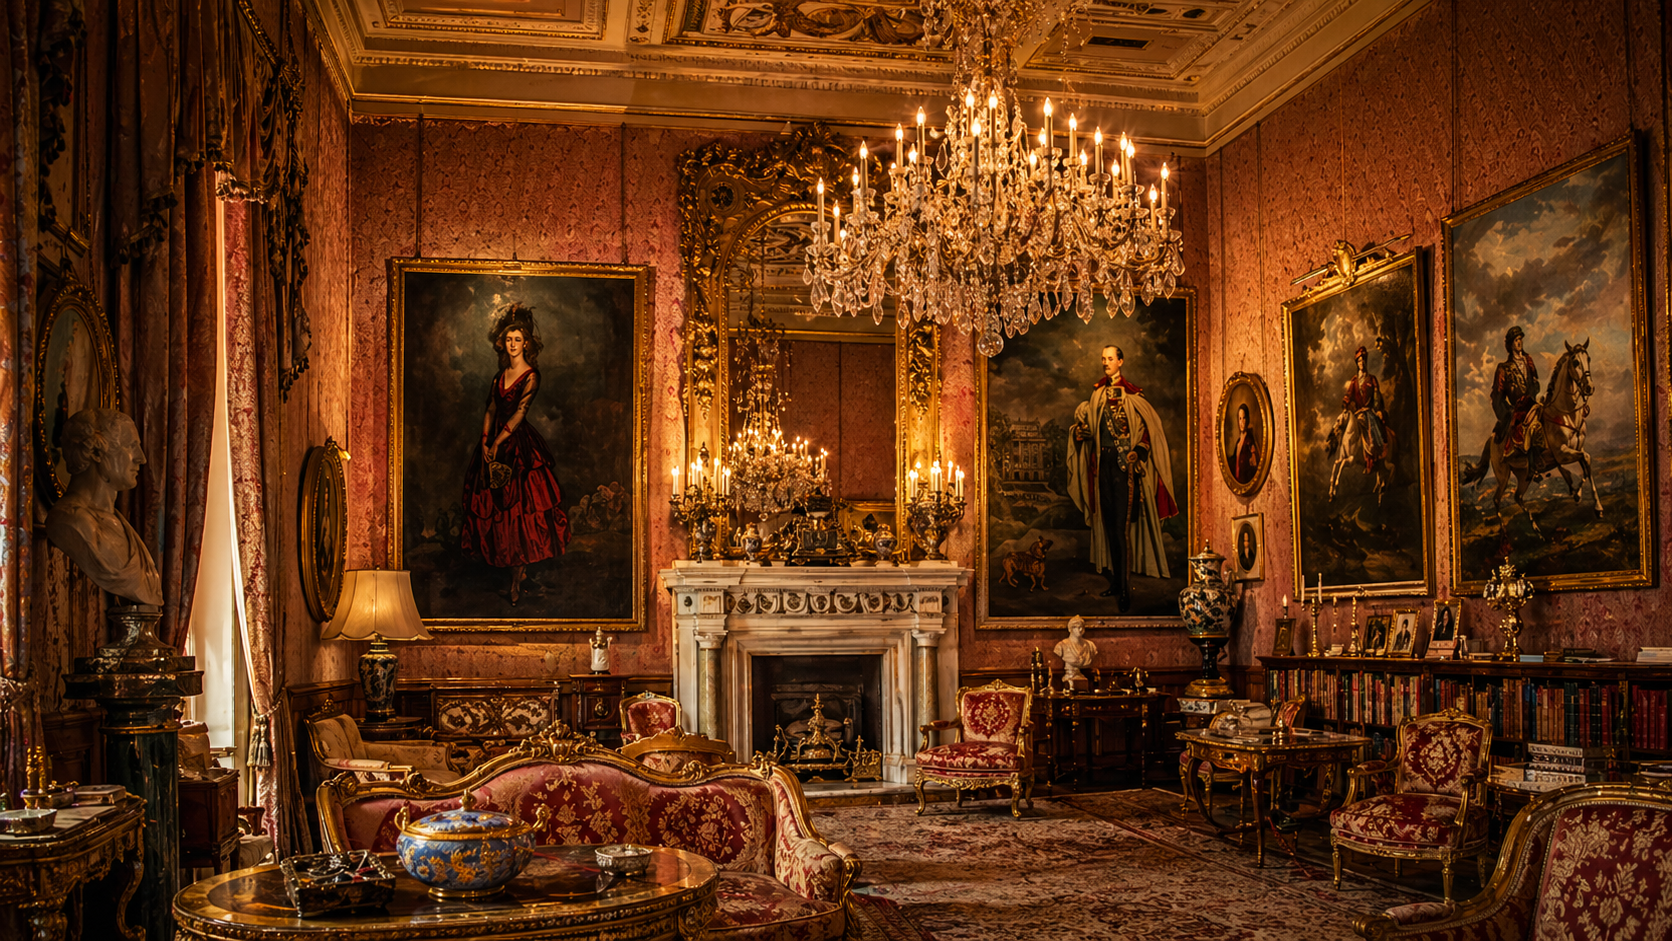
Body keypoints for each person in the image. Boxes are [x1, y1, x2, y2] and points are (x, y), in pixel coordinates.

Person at [460, 305, 571, 605]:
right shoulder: (499, 376)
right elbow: (491, 409)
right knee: (497, 510)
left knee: (520, 509)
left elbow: (520, 412)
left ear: (526, 344)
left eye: (518, 339)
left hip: (517, 445)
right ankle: (511, 572)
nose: (512, 344)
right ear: (503, 342)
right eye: (508, 339)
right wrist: (485, 441)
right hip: (493, 440)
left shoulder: (531, 375)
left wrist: (498, 442)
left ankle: (517, 579)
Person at [1066, 345, 1178, 612]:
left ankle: (1126, 589)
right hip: (1102, 467)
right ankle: (1116, 582)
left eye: (1110, 359)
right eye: (1102, 359)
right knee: (1107, 528)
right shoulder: (1096, 396)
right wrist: (1079, 434)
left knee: (1121, 528)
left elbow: (1147, 432)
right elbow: (1089, 430)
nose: (1105, 363)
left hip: (1123, 470)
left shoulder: (1133, 396)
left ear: (1121, 362)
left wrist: (1138, 451)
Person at [44, 409, 164, 605]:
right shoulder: (71, 521)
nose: (141, 458)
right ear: (98, 453)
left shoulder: (120, 524)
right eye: (131, 446)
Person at [1491, 325, 1541, 457]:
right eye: (1516, 340)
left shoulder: (1528, 361)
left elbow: (1536, 383)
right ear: (1510, 344)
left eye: (1520, 339)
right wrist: (1508, 413)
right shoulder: (1504, 368)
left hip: (1532, 405)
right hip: (1517, 410)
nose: (1519, 342)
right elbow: (1497, 398)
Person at [1343, 346, 1389, 471]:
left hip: (1370, 412)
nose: (1361, 363)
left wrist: (1378, 409)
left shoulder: (1372, 379)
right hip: (1358, 413)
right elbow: (1348, 394)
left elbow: (1376, 396)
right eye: (1359, 361)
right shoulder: (1354, 381)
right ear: (1357, 363)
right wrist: (1346, 402)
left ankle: (1372, 460)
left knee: (1371, 425)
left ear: (1365, 362)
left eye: (1363, 360)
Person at [1054, 615, 1097, 684]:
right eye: (1075, 627)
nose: (1079, 630)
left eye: (1081, 627)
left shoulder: (1090, 645)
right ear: (1070, 629)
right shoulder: (1062, 645)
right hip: (1069, 676)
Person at [1230, 403, 1260, 484]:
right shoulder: (1238, 442)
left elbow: (1254, 464)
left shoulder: (1250, 442)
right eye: (1240, 418)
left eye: (1244, 418)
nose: (1242, 422)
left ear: (1248, 419)